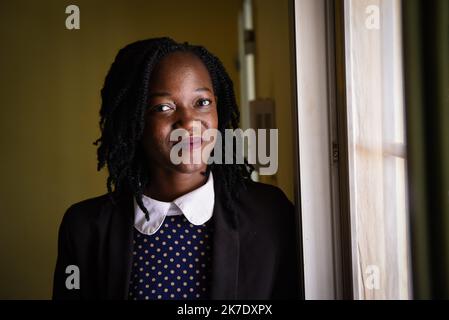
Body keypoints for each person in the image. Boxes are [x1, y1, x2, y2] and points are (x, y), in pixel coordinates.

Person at [52, 37, 301, 300]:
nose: (189, 121)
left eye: (202, 102)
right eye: (163, 107)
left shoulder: (270, 214)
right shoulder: (84, 228)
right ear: (132, 120)